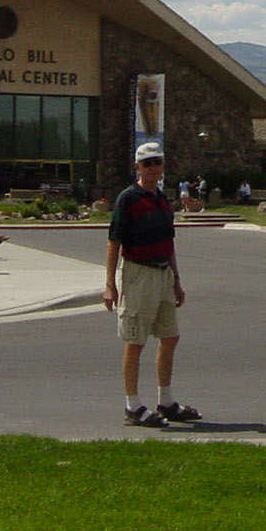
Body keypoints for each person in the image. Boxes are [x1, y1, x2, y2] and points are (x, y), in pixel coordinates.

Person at [104, 141, 202, 429]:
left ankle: (166, 401)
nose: (153, 168)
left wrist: (177, 280)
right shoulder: (127, 199)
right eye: (147, 163)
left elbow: (169, 242)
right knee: (136, 341)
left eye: (157, 162)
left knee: (170, 337)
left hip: (163, 275)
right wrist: (110, 284)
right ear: (137, 167)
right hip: (138, 274)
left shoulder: (162, 199)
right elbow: (114, 242)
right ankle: (133, 406)